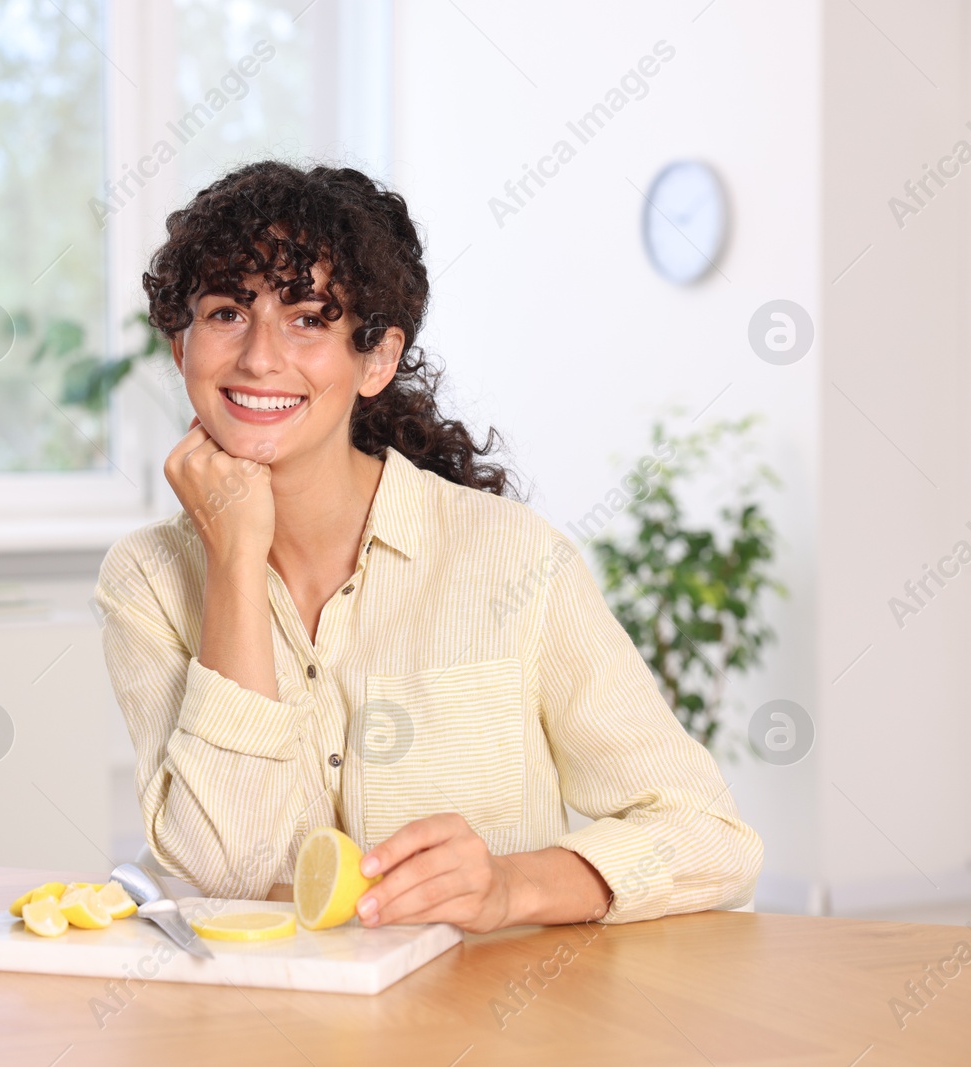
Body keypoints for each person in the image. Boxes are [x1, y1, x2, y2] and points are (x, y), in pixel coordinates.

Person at [93, 161, 761, 933]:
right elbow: (226, 867)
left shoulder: (518, 561)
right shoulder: (146, 579)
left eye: (309, 318)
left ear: (375, 360)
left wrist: (512, 886)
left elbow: (710, 837)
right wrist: (236, 561)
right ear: (182, 348)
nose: (259, 356)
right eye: (225, 313)